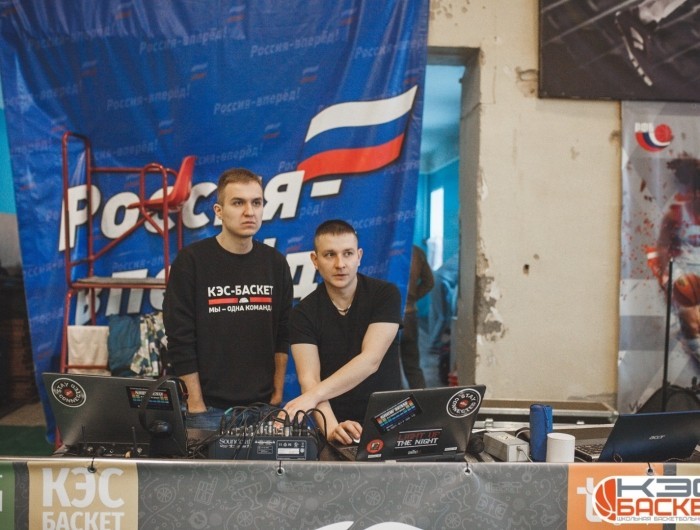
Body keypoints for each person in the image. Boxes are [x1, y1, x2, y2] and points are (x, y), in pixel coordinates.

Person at [163, 167, 293, 430]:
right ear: (219, 211)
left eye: (256, 202)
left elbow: (283, 331)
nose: (249, 211)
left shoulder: (275, 263)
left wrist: (277, 392)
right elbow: (180, 338)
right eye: (238, 203)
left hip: (264, 408)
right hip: (207, 410)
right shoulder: (191, 261)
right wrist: (196, 403)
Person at [284, 220, 402, 444]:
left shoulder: (385, 295)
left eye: (347, 253)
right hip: (336, 421)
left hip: (390, 421)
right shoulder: (302, 314)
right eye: (330, 255)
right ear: (315, 260)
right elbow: (309, 378)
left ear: (359, 256)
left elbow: (371, 360)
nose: (340, 264)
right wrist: (331, 428)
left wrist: (311, 397)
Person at [653, 156, 700, 361]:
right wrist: (668, 279)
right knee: (691, 322)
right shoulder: (675, 215)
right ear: (692, 192)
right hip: (685, 273)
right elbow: (662, 247)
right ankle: (690, 339)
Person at [400, 245, 434, 388]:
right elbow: (429, 282)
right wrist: (413, 299)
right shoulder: (417, 252)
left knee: (389, 368)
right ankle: (422, 399)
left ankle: (394, 401)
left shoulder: (384, 249)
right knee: (413, 366)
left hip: (387, 317)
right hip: (410, 314)